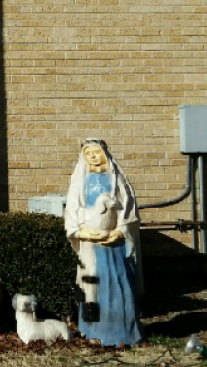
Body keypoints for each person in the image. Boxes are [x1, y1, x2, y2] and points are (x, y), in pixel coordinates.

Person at [64, 138, 143, 347]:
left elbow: (128, 208)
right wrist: (85, 233)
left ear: (104, 153)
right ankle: (92, 332)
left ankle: (122, 334)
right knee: (91, 287)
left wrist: (119, 231)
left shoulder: (117, 179)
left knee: (119, 284)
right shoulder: (80, 180)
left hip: (115, 247)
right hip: (91, 247)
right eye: (87, 153)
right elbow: (72, 210)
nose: (92, 156)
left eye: (95, 151)